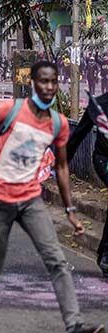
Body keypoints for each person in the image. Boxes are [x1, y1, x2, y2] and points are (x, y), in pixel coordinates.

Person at [0, 60, 105, 333]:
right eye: (43, 82)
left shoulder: (59, 123)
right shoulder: (9, 110)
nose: (49, 87)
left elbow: (61, 166)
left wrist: (70, 209)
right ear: (33, 83)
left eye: (53, 82)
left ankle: (75, 329)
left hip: (31, 200)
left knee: (57, 261)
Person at [67, 90, 108, 275]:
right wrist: (61, 164)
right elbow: (78, 134)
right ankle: (106, 253)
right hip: (104, 160)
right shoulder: (98, 105)